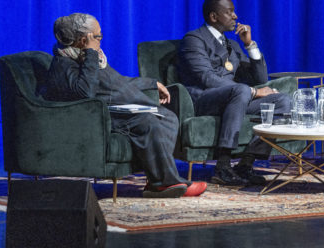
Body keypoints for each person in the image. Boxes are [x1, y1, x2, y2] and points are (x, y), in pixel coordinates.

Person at [42, 13, 206, 198]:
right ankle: (166, 183)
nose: (100, 41)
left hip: (116, 111)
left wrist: (151, 83)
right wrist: (90, 53)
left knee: (167, 117)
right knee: (148, 122)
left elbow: (117, 82)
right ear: (83, 40)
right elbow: (85, 92)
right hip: (95, 117)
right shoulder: (64, 64)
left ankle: (155, 183)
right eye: (97, 37)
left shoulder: (90, 59)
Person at [178, 0, 291, 186]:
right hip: (204, 99)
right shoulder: (194, 39)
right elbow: (206, 78)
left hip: (235, 100)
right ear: (214, 17)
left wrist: (249, 45)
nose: (235, 16)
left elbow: (261, 79)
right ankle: (223, 165)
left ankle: (246, 163)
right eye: (229, 12)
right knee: (241, 90)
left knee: (281, 100)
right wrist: (253, 92)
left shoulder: (232, 44)